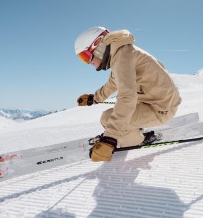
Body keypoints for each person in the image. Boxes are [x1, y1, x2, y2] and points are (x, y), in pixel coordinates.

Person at [74, 26, 182, 162]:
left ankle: (140, 139)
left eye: (86, 57)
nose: (89, 63)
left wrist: (110, 138)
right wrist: (94, 98)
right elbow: (113, 83)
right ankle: (131, 130)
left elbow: (127, 97)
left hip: (161, 108)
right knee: (112, 118)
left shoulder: (122, 58)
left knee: (107, 119)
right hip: (157, 101)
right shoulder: (122, 53)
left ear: (99, 46)